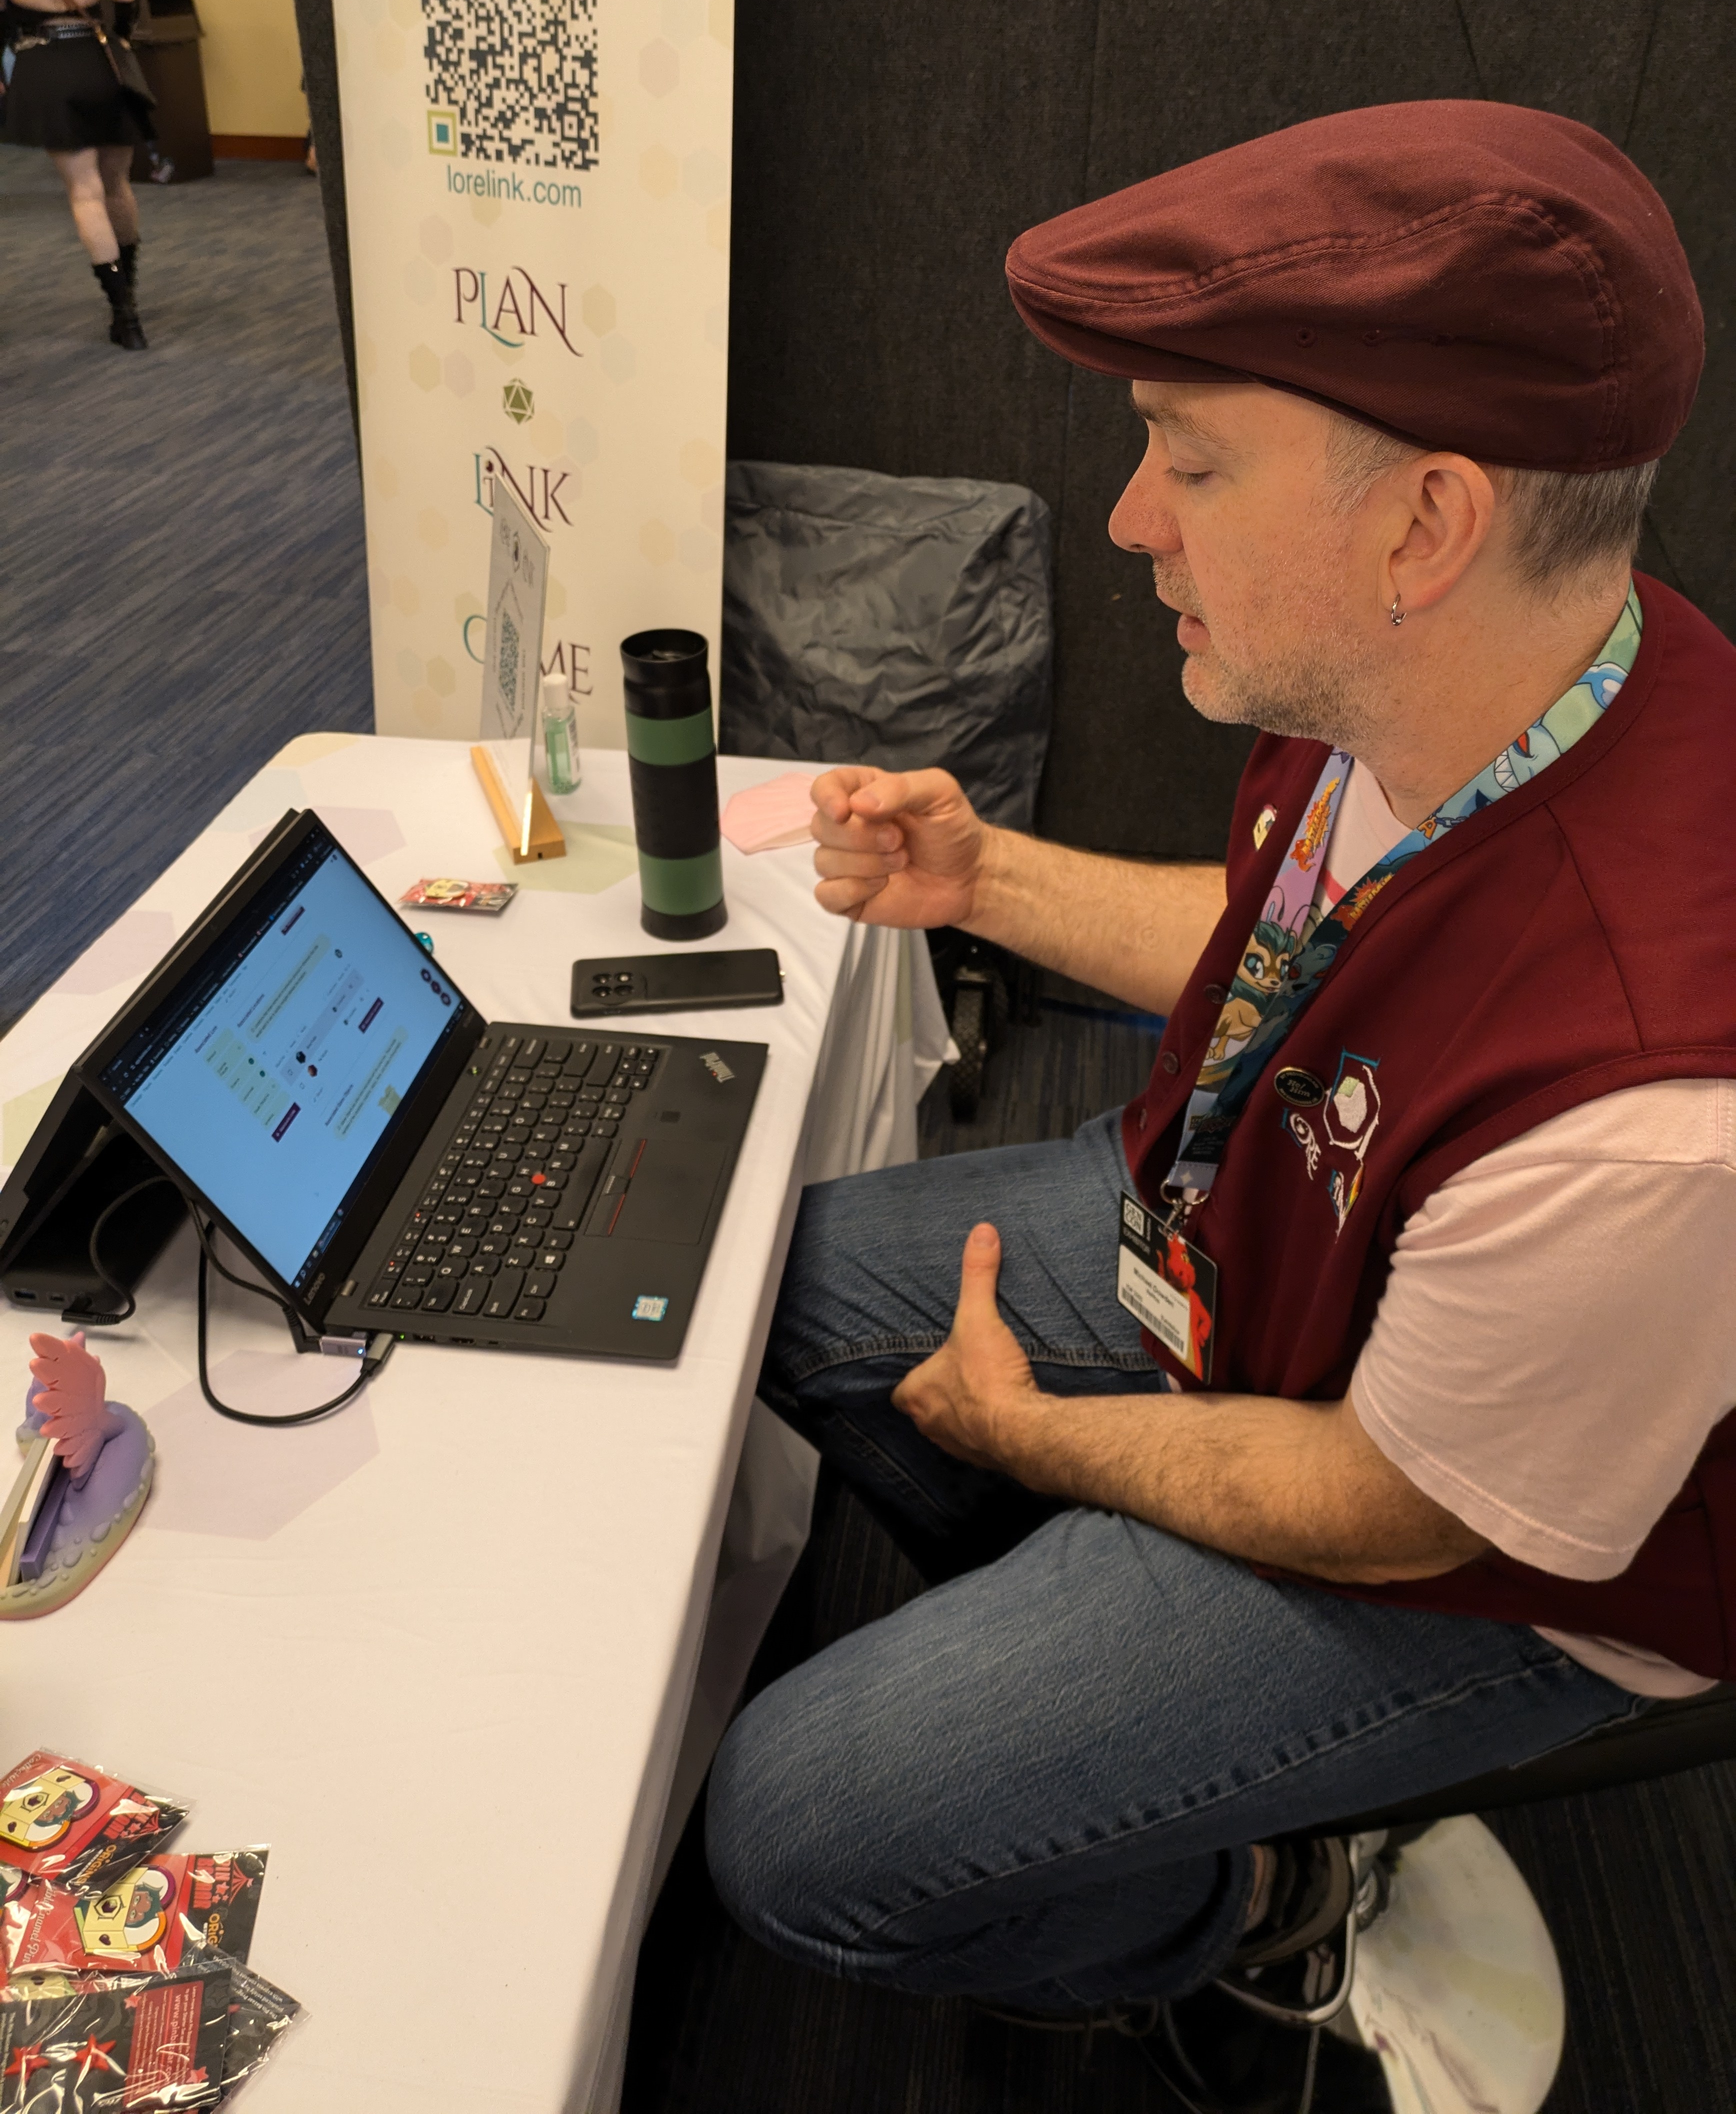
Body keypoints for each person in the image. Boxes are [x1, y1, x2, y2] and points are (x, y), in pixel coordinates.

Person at [702, 102, 1736, 2106]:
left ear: (1422, 524)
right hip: (1278, 1250)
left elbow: (1393, 1503)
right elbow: (1307, 942)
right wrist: (979, 876)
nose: (1126, 518)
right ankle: (1101, 1714)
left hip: (1494, 1551)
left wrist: (1044, 1437)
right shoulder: (1501, 675)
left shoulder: (1653, 1102)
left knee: (797, 1832)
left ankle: (1244, 1898)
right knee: (797, 1279)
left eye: (1187, 458)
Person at [0, 0, 150, 349]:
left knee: (84, 191)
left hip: (47, 63)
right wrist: (121, 39)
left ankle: (124, 315)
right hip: (102, 61)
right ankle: (130, 291)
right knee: (117, 183)